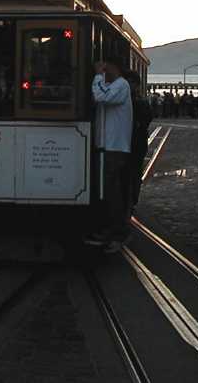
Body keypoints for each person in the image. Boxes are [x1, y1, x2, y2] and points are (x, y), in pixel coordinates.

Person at [85, 56, 133, 253]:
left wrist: (97, 76)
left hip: (114, 146)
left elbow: (101, 97)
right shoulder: (114, 85)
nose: (104, 69)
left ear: (114, 67)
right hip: (107, 145)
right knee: (105, 189)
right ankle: (108, 229)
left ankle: (119, 231)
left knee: (110, 191)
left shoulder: (121, 85)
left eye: (106, 66)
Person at [124, 70, 153, 209]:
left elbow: (146, 120)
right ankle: (131, 199)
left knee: (134, 171)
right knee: (133, 172)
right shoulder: (141, 100)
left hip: (136, 141)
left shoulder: (139, 102)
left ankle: (132, 199)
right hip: (136, 140)